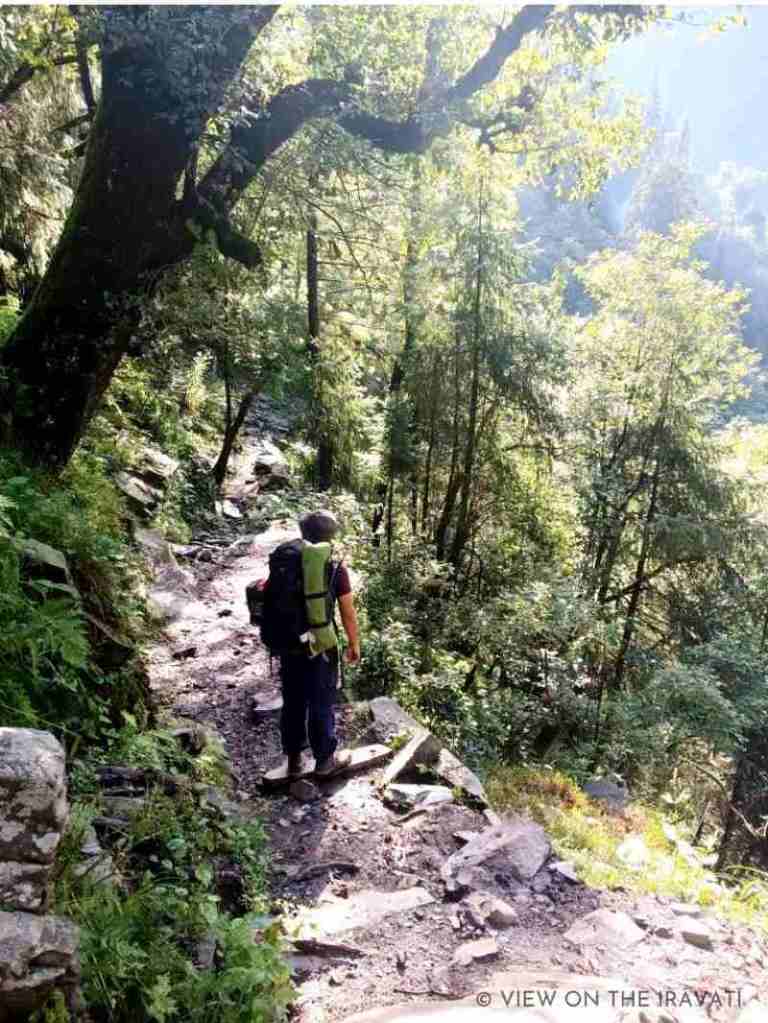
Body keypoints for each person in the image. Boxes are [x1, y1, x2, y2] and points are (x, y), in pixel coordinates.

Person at [265, 509, 361, 779]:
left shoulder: (286, 559)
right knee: (321, 698)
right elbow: (347, 611)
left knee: (293, 699)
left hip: (289, 642)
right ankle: (324, 761)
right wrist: (354, 643)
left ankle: (294, 761)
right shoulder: (332, 566)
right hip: (320, 644)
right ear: (330, 537)